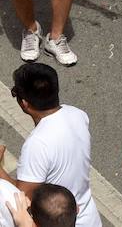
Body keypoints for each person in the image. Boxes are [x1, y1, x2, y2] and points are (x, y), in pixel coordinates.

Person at [9, 63, 98, 227]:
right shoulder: (78, 114)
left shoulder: (37, 145)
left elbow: (22, 200)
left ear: (25, 104)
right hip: (89, 218)